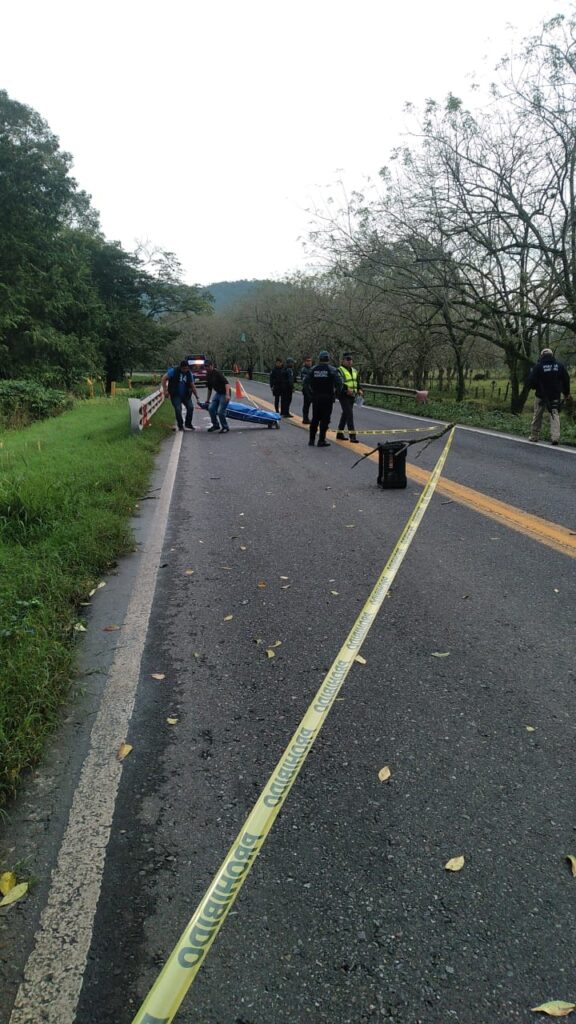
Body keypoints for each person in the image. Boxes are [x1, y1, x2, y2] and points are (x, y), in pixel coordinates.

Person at [527, 348, 571, 446]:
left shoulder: (538, 367)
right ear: (552, 355)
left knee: (537, 415)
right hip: (555, 395)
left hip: (541, 395)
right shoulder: (559, 366)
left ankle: (534, 436)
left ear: (542, 355)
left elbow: (531, 381)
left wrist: (535, 387)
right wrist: (566, 393)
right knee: (554, 414)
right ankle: (555, 437)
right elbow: (566, 379)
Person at [305, 350, 342, 447]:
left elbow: (305, 383)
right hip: (327, 398)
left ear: (319, 359)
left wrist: (310, 394)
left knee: (315, 418)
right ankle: (321, 440)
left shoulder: (313, 369)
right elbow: (339, 383)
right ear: (328, 359)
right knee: (325, 419)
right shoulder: (332, 370)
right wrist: (336, 394)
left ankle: (311, 440)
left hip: (316, 397)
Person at [161, 359, 200, 431]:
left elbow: (192, 386)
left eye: (187, 368)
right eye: (184, 368)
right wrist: (165, 390)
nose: (186, 370)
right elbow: (164, 378)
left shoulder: (189, 373)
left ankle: (188, 423)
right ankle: (180, 425)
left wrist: (197, 396)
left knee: (190, 407)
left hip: (186, 395)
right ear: (181, 367)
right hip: (175, 394)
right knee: (178, 409)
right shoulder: (174, 371)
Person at [336, 352, 363, 443]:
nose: (349, 361)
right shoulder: (339, 370)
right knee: (349, 415)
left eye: (350, 360)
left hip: (352, 396)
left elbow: (357, 382)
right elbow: (339, 383)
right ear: (343, 360)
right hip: (343, 395)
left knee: (345, 414)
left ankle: (339, 433)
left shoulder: (355, 371)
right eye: (347, 360)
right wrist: (346, 389)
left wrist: (359, 389)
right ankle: (352, 436)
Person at [204, 359, 231, 433]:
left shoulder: (217, 373)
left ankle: (225, 427)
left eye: (208, 366)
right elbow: (209, 389)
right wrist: (207, 399)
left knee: (220, 412)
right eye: (205, 366)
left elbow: (227, 384)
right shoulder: (208, 375)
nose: (206, 368)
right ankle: (216, 425)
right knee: (211, 408)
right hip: (218, 393)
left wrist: (227, 395)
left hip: (225, 393)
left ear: (211, 366)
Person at [300, 355, 313, 424]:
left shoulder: (311, 369)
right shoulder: (304, 369)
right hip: (306, 389)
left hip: (311, 389)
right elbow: (305, 381)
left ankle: (307, 418)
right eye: (308, 361)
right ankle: (305, 419)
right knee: (306, 405)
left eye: (310, 361)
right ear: (305, 362)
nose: (309, 362)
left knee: (310, 405)